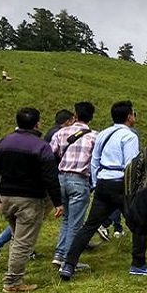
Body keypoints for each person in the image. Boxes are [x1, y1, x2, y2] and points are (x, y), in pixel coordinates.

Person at [60, 101, 147, 280]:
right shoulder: (129, 136)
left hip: (103, 182)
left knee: (90, 225)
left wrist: (97, 182)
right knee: (139, 221)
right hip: (121, 182)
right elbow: (131, 165)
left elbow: (95, 160)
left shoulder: (103, 133)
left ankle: (69, 263)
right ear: (129, 116)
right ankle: (138, 263)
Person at [0, 107, 63, 292]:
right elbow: (50, 177)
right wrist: (58, 201)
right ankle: (12, 282)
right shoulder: (41, 146)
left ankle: (14, 276)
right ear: (37, 123)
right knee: (23, 242)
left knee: (16, 236)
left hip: (6, 198)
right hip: (29, 200)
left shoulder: (3, 142)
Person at [49, 102, 96, 266]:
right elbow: (95, 161)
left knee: (67, 219)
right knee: (76, 223)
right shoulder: (94, 136)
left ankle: (59, 253)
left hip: (61, 178)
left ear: (75, 116)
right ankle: (68, 260)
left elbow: (50, 154)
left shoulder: (61, 133)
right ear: (91, 117)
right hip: (79, 179)